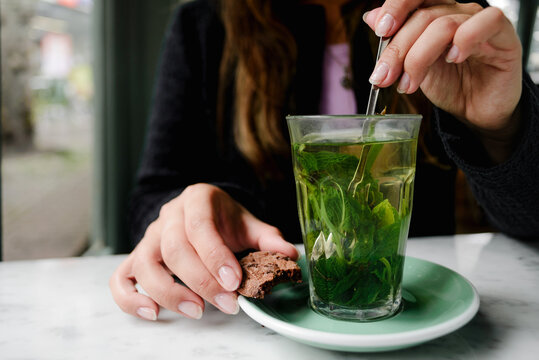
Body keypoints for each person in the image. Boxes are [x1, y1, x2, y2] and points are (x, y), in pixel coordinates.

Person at [109, 0, 539, 322]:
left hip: (417, 323)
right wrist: (186, 214)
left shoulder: (449, 20)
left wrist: (501, 127)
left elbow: (529, 221)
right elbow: (151, 196)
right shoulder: (204, 25)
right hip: (263, 333)